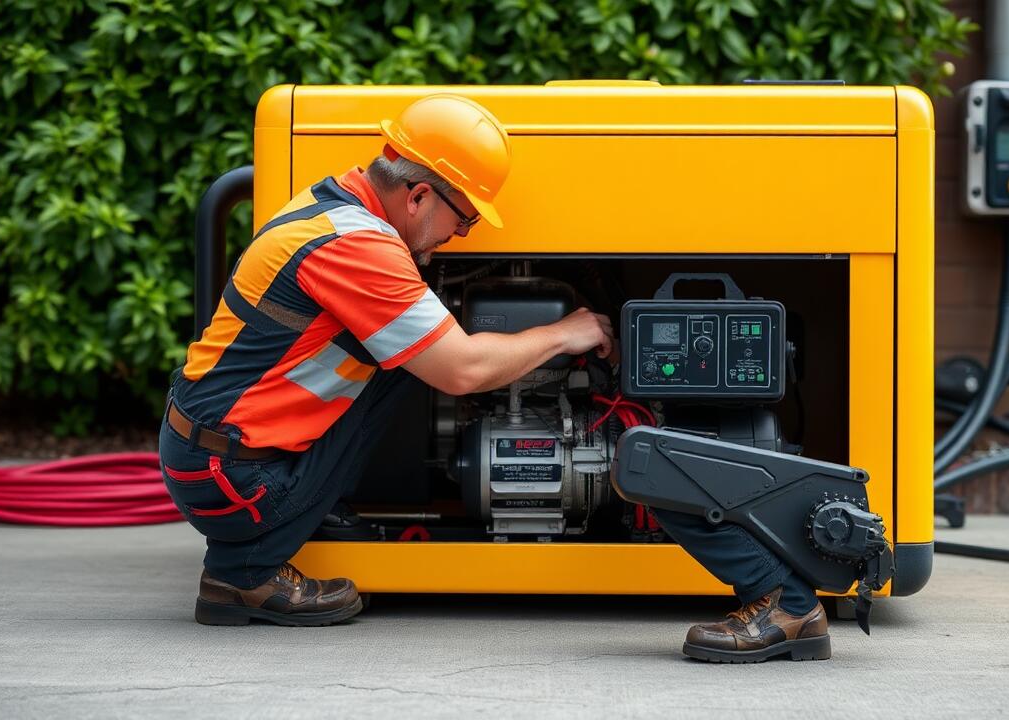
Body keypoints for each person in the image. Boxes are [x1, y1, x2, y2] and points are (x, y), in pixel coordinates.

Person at [159, 92, 828, 663]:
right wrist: (567, 332)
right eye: (465, 216)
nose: (464, 233)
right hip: (234, 483)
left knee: (404, 358)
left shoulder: (330, 207)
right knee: (637, 448)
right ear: (418, 193)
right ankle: (245, 567)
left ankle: (242, 568)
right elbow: (462, 370)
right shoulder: (357, 246)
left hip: (213, 456)